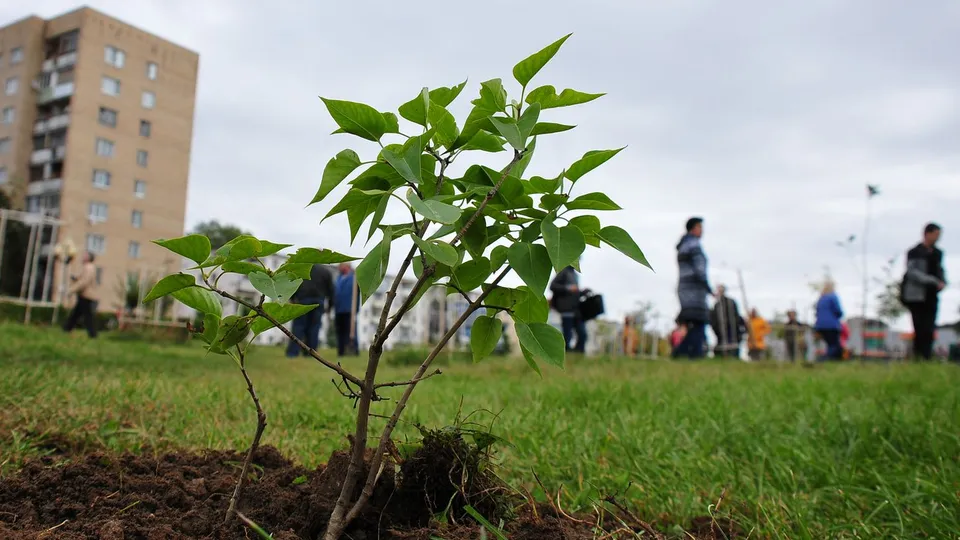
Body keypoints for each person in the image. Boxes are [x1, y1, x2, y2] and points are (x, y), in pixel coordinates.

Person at [901, 223, 946, 360]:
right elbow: (912, 272)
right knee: (919, 327)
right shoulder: (914, 252)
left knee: (929, 327)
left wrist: (943, 281)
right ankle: (918, 356)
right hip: (916, 296)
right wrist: (932, 281)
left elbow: (940, 269)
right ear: (927, 233)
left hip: (931, 296)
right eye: (936, 234)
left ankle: (927, 356)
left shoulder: (938, 253)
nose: (938, 238)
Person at [673, 217, 712, 359]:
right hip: (695, 290)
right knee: (698, 322)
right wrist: (708, 287)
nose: (702, 231)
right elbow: (700, 269)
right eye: (700, 227)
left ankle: (683, 353)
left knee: (690, 322)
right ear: (693, 228)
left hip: (684, 289)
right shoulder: (694, 245)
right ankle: (691, 354)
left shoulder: (683, 246)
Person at [285, 264, 334, 358]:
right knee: (314, 328)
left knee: (298, 327)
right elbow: (331, 290)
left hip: (302, 300)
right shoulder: (325, 271)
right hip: (318, 302)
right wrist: (330, 306)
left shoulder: (302, 269)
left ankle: (293, 353)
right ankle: (311, 353)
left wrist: (292, 298)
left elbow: (293, 283)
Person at [550, 265, 587, 353]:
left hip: (576, 309)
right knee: (567, 334)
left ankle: (578, 353)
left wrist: (582, 292)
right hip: (566, 309)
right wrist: (569, 288)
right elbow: (553, 286)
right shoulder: (564, 272)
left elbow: (575, 292)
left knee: (582, 333)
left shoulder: (574, 274)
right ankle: (566, 353)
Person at [62, 252, 99, 338]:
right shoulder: (87, 267)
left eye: (84, 256)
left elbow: (84, 282)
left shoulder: (89, 267)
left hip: (87, 295)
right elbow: (82, 279)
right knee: (77, 314)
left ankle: (93, 334)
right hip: (84, 294)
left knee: (87, 316)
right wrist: (75, 278)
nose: (82, 257)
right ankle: (67, 328)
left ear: (89, 258)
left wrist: (71, 290)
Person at [710, 285, 745, 358]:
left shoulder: (730, 303)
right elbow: (713, 320)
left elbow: (737, 317)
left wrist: (741, 330)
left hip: (731, 331)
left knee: (732, 347)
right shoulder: (717, 305)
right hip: (722, 333)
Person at [814, 280, 844, 360]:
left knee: (831, 344)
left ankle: (833, 360)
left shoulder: (821, 298)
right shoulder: (833, 296)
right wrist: (840, 315)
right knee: (833, 345)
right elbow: (838, 311)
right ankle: (822, 359)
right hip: (831, 325)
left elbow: (817, 312)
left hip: (820, 325)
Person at [333, 262, 359, 357]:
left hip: (349, 309)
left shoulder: (354, 278)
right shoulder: (339, 278)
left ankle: (353, 349)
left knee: (351, 331)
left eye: (341, 266)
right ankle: (341, 351)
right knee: (340, 331)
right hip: (339, 309)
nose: (339, 268)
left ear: (347, 267)